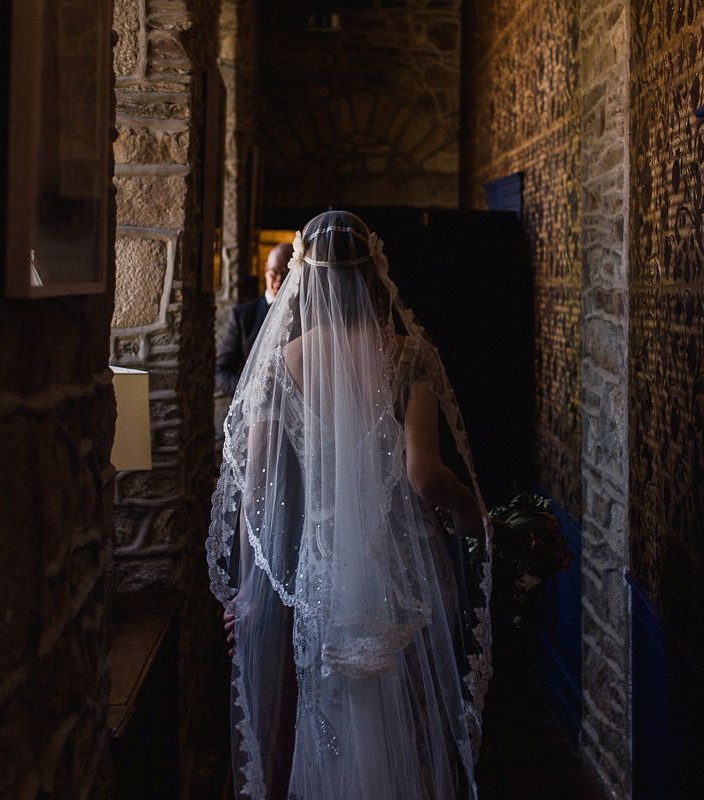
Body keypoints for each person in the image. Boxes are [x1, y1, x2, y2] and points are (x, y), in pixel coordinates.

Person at [207, 211, 493, 800]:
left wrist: (255, 589)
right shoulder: (406, 355)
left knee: (327, 706)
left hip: (317, 563)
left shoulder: (279, 363)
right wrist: (471, 513)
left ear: (303, 278)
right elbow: (423, 474)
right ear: (372, 273)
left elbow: (256, 484)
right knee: (406, 709)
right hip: (399, 561)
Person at [215, 243, 293, 396]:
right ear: (265, 269)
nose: (279, 281)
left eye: (286, 274)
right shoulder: (243, 315)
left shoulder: (306, 315)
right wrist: (251, 392)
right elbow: (221, 372)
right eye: (275, 272)